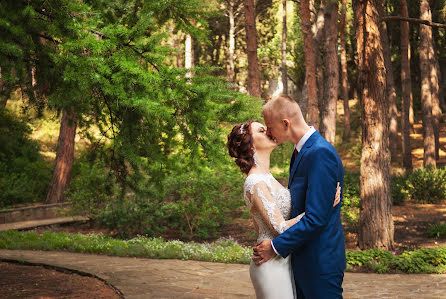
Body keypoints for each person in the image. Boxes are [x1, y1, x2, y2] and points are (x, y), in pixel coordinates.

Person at [227, 119, 341, 299]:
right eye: (261, 131)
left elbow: (270, 220)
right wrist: (323, 206)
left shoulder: (268, 177)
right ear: (250, 146)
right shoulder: (254, 181)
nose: (269, 132)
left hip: (284, 258)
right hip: (270, 262)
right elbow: (280, 228)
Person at [253, 94, 346, 298]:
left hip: (320, 263)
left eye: (269, 126)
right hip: (302, 260)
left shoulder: (320, 152)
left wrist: (275, 247)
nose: (268, 132)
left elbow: (316, 219)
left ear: (285, 123)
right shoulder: (300, 152)